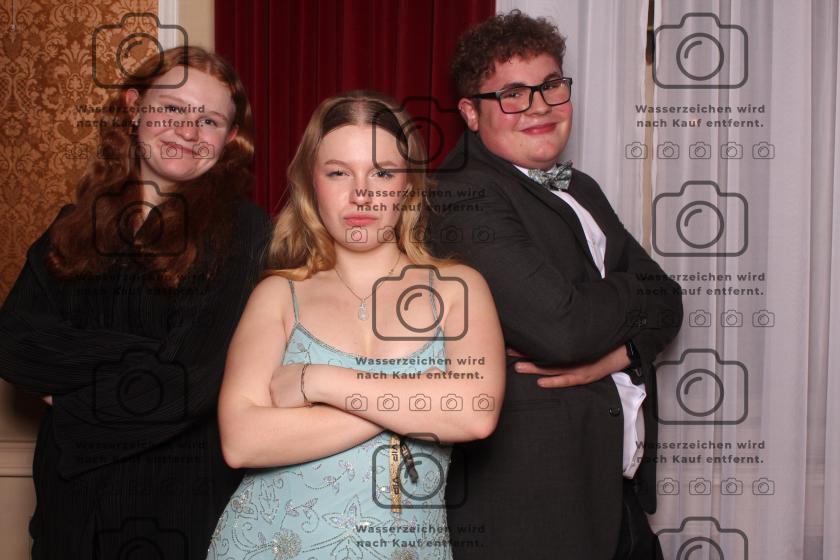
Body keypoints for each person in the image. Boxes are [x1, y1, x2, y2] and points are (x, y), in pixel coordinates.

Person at [427, 11, 683, 560]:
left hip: (614, 495)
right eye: (512, 94)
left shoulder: (580, 187)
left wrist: (616, 355)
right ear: (470, 113)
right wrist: (636, 291)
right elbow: (562, 329)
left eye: (550, 85)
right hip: (535, 509)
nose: (539, 106)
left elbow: (670, 300)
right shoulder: (460, 192)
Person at [206, 91, 505, 560]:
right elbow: (241, 442)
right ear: (312, 183)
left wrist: (316, 381)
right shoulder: (278, 295)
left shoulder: (457, 289)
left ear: (408, 185)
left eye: (382, 173)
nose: (361, 193)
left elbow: (475, 414)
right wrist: (414, 400)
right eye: (338, 172)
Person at [0, 46, 270, 559]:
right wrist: (140, 355)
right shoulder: (71, 224)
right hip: (67, 513)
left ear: (230, 139)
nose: (188, 131)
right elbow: (13, 345)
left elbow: (188, 384)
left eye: (209, 120)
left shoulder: (247, 233)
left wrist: (65, 391)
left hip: (175, 515)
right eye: (172, 108)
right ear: (134, 107)